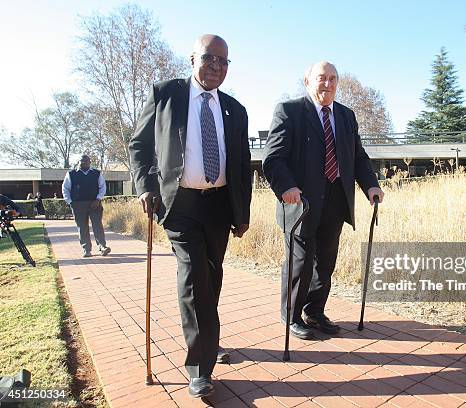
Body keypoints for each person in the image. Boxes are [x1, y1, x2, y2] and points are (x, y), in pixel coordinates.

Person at [129, 34, 251, 399]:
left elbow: (242, 165)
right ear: (192, 58)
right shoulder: (165, 94)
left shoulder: (235, 109)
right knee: (195, 278)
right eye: (210, 58)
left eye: (224, 61)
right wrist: (145, 187)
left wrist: (242, 212)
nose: (216, 66)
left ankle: (208, 342)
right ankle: (199, 368)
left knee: (212, 276)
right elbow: (139, 145)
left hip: (218, 206)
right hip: (179, 205)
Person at [263, 61, 385, 340]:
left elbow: (357, 157)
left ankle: (314, 311)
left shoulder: (345, 116)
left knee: (326, 262)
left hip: (335, 200)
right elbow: (273, 158)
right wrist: (287, 187)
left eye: (332, 79)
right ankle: (291, 316)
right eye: (321, 78)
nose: (327, 84)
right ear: (307, 81)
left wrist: (371, 186)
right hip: (300, 203)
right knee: (301, 262)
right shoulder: (290, 112)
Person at [62, 155, 111, 258]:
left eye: (86, 161)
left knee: (97, 225)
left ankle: (102, 247)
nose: (84, 163)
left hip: (95, 203)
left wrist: (98, 199)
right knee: (82, 227)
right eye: (82, 161)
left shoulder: (96, 173)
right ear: (78, 162)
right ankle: (86, 250)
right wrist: (70, 202)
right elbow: (65, 189)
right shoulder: (71, 174)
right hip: (78, 204)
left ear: (90, 162)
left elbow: (102, 187)